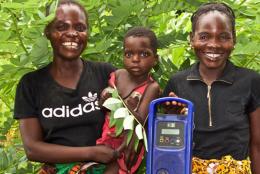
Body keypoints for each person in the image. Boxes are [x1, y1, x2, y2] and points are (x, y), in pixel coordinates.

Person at [14, 0, 119, 173]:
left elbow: (135, 113)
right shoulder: (31, 84)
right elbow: (32, 149)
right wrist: (91, 152)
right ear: (48, 31)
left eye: (80, 28)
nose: (72, 34)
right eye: (62, 27)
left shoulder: (105, 74)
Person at [163, 2, 260, 174]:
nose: (214, 44)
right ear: (191, 38)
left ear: (234, 39)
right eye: (204, 36)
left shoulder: (250, 81)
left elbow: (257, 144)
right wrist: (172, 118)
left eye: (223, 36)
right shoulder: (177, 83)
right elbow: (168, 143)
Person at [96, 27, 160, 174]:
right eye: (129, 54)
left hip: (128, 146)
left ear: (155, 59)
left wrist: (125, 106)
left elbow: (141, 122)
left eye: (144, 54)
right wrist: (104, 98)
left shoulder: (152, 87)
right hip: (106, 138)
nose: (135, 59)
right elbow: (103, 107)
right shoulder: (118, 75)